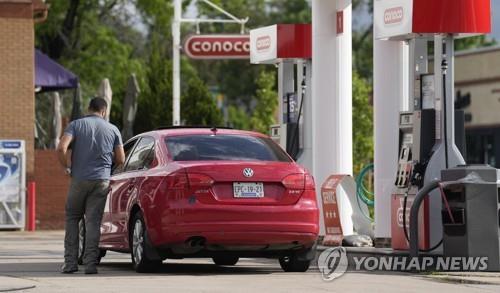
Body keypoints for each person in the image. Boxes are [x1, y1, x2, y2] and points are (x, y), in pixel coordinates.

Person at [57, 97, 125, 274]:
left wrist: (67, 167)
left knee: (73, 218)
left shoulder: (76, 125)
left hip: (79, 179)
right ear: (104, 111)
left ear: (89, 108)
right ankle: (90, 264)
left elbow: (61, 148)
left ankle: (70, 263)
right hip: (101, 180)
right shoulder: (113, 129)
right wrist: (108, 170)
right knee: (93, 222)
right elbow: (121, 159)